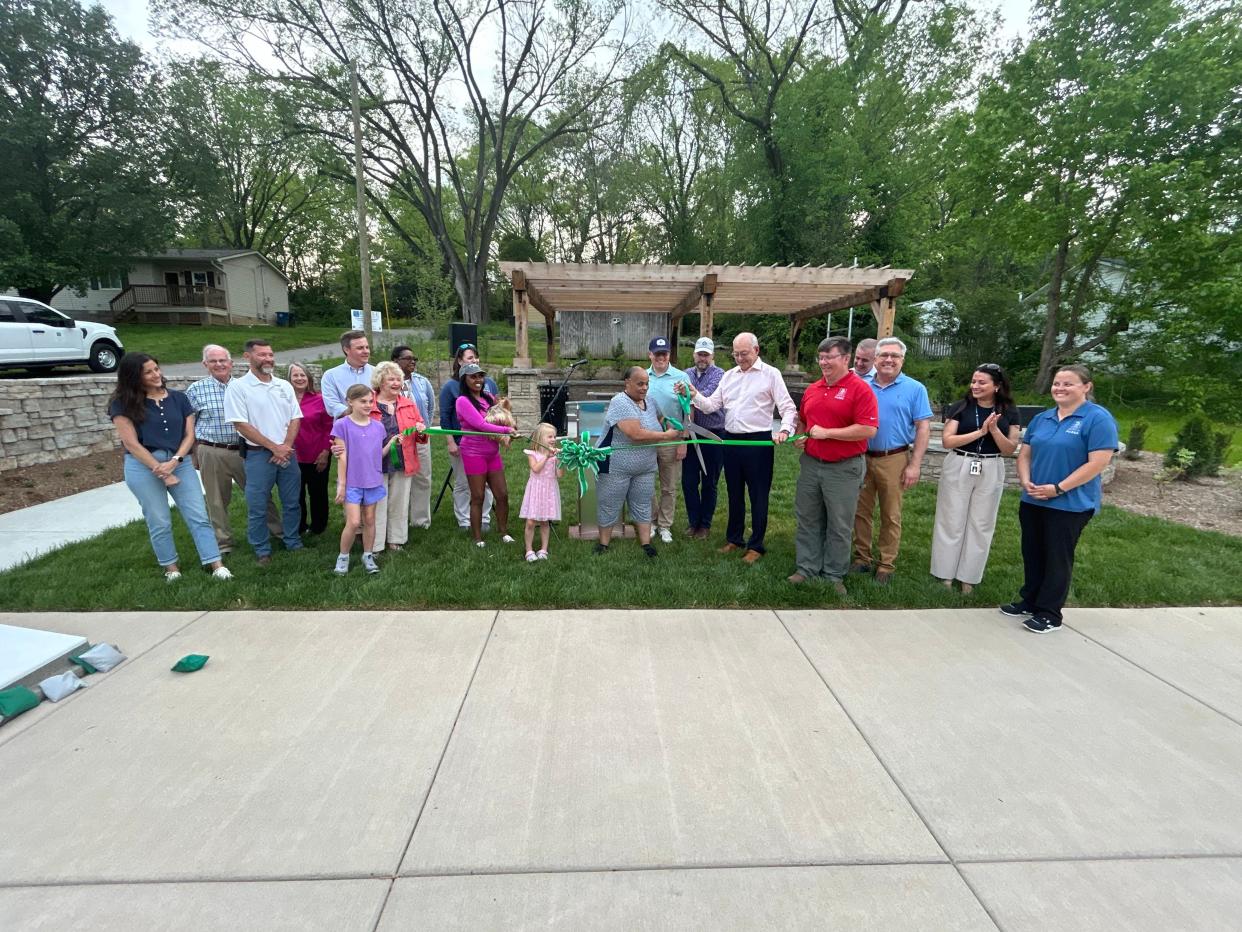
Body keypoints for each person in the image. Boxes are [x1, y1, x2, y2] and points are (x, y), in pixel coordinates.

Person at [1001, 365, 1117, 633]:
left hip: (1069, 504)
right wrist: (1025, 479)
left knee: (1057, 556)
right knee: (1032, 552)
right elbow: (1025, 454)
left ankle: (1050, 613)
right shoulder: (1044, 418)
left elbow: (1097, 462)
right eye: (1057, 383)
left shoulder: (1097, 419)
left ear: (1086, 387)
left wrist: (1059, 488)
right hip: (1033, 499)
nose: (1060, 388)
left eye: (1068, 384)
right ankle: (1029, 600)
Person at [108, 353, 231, 582]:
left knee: (198, 515)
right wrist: (160, 469)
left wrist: (175, 461)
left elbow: (189, 434)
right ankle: (171, 569)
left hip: (179, 462)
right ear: (134, 377)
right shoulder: (122, 404)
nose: (156, 375)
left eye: (156, 369)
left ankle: (216, 564)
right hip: (142, 466)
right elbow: (131, 444)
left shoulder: (178, 398)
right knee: (159, 520)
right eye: (148, 372)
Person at [680, 332, 796, 564]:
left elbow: (788, 407)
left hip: (758, 443)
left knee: (758, 495)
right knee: (734, 494)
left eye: (744, 354)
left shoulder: (771, 374)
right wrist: (694, 394)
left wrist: (784, 430)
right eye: (736, 354)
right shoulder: (729, 376)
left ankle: (756, 545)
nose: (740, 358)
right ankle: (735, 539)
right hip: (730, 442)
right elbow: (712, 405)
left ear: (757, 350)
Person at [789, 338, 878, 594]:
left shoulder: (859, 389)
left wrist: (828, 433)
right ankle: (806, 568)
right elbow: (804, 420)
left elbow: (868, 429)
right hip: (811, 464)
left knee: (839, 523)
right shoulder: (813, 388)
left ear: (845, 359)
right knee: (807, 517)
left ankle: (833, 574)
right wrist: (800, 434)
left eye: (830, 357)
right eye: (821, 357)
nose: (824, 362)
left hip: (843, 468)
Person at [930, 363, 1021, 593]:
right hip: (960, 462)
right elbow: (948, 441)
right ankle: (945, 574)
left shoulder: (1009, 411)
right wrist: (979, 432)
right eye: (974, 381)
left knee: (981, 523)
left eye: (982, 382)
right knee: (951, 519)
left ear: (997, 386)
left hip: (991, 465)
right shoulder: (961, 407)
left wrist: (994, 431)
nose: (976, 386)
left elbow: (1010, 449)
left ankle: (969, 576)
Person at [851, 336, 932, 584]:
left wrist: (915, 464)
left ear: (902, 360)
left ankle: (886, 564)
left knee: (891, 514)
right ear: (875, 359)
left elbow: (923, 427)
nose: (889, 360)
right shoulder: (861, 385)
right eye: (884, 355)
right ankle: (861, 558)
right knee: (860, 511)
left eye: (894, 356)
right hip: (862, 456)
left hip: (893, 457)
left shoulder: (915, 389)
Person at [185, 343, 279, 553]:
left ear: (231, 363)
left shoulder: (245, 386)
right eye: (213, 361)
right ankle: (223, 542)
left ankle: (278, 531)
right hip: (212, 450)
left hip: (246, 451)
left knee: (261, 493)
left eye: (223, 360)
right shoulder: (196, 390)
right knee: (216, 500)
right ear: (205, 364)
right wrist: (194, 454)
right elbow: (189, 426)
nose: (219, 364)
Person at [223, 339, 303, 565]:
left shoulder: (284, 385)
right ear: (248, 357)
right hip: (258, 455)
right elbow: (240, 424)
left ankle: (293, 541)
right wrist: (274, 447)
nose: (268, 359)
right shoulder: (238, 387)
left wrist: (285, 446)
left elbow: (295, 417)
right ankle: (262, 549)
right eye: (262, 355)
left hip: (288, 453)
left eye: (270, 354)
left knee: (291, 502)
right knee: (257, 504)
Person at [596, 366, 684, 556]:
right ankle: (603, 543)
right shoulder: (619, 402)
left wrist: (672, 424)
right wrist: (665, 436)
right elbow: (634, 433)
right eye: (640, 384)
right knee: (609, 502)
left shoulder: (650, 401)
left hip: (645, 466)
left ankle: (646, 543)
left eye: (647, 383)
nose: (645, 388)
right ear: (627, 383)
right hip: (615, 466)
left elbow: (661, 418)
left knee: (643, 503)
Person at [331, 384, 397, 575]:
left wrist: (391, 443)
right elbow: (342, 457)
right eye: (363, 401)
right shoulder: (341, 425)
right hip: (352, 482)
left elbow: (378, 454)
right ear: (350, 402)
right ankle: (343, 556)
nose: (368, 405)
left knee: (369, 520)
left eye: (370, 401)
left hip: (373, 480)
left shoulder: (378, 426)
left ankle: (367, 555)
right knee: (353, 522)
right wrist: (341, 486)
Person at [454, 362, 517, 547]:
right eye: (473, 376)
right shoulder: (463, 401)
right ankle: (478, 538)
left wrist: (511, 426)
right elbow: (480, 425)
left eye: (480, 376)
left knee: (502, 494)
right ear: (464, 380)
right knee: (478, 496)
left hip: (492, 452)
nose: (478, 380)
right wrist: (506, 430)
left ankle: (503, 532)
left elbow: (502, 415)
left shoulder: (489, 398)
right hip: (473, 453)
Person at [440, 343, 497, 531]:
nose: (474, 361)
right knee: (464, 483)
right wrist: (450, 441)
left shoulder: (489, 384)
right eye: (470, 358)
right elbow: (445, 417)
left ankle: (484, 518)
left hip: (488, 445)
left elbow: (496, 413)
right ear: (459, 361)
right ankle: (465, 519)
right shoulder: (450, 387)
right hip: (462, 443)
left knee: (486, 484)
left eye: (476, 357)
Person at [371, 360, 425, 551]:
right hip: (376, 462)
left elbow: (421, 436)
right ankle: (376, 544)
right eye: (391, 379)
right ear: (380, 381)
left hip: (404, 460)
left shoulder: (409, 404)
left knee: (399, 502)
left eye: (398, 379)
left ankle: (396, 540)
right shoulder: (369, 403)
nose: (396, 383)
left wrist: (421, 430)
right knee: (377, 504)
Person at [645, 336, 690, 544]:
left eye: (664, 354)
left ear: (669, 355)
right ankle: (652, 521)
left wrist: (684, 440)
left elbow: (689, 411)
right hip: (647, 438)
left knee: (668, 485)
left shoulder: (681, 378)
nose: (661, 357)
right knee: (645, 482)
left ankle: (665, 525)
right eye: (657, 354)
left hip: (672, 439)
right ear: (650, 355)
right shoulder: (642, 376)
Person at [682, 336, 726, 540]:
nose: (702, 358)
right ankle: (693, 522)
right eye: (700, 354)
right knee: (689, 481)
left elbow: (707, 398)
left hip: (714, 433)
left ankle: (705, 525)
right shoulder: (686, 374)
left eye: (706, 355)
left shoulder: (720, 375)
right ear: (694, 354)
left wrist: (688, 393)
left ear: (712, 356)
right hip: (690, 434)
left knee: (710, 481)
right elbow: (681, 400)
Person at [392, 345, 435, 529]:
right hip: (397, 441)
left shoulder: (422, 382)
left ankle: (420, 521)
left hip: (420, 439)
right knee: (399, 480)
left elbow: (430, 408)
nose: (413, 361)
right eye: (408, 358)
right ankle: (396, 522)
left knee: (423, 478)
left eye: (414, 358)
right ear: (396, 361)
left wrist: (423, 428)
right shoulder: (389, 383)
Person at [288, 362, 333, 536]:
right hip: (291, 455)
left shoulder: (320, 399)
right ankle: (299, 526)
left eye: (302, 375)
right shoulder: (284, 398)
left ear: (309, 378)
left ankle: (318, 527)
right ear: (289, 379)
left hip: (317, 454)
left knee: (318, 492)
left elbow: (329, 427)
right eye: (295, 375)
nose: (299, 379)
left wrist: (325, 451)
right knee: (295, 494)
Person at [520, 422, 564, 562]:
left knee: (545, 521)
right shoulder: (532, 453)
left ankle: (543, 549)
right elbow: (536, 469)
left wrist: (560, 460)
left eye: (554, 436)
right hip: (536, 489)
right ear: (540, 438)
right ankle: (529, 550)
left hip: (549, 490)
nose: (553, 439)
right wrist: (546, 456)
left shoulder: (555, 455)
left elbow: (560, 474)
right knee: (531, 521)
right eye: (549, 436)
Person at [321, 330, 373, 418]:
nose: (366, 351)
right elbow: (332, 406)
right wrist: (357, 413)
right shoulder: (331, 375)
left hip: (375, 427)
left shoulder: (377, 373)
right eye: (360, 348)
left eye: (367, 347)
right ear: (346, 350)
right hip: (345, 428)